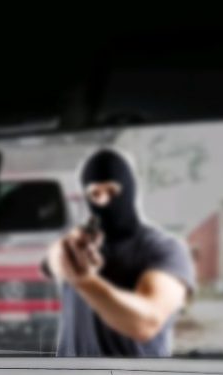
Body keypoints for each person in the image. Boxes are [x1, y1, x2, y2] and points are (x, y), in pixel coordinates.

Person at [45, 148, 196, 357]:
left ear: (130, 189)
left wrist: (83, 280)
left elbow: (145, 323)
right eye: (95, 194)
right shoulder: (82, 244)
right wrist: (62, 251)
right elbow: (49, 263)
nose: (104, 201)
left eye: (112, 191)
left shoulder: (164, 248)